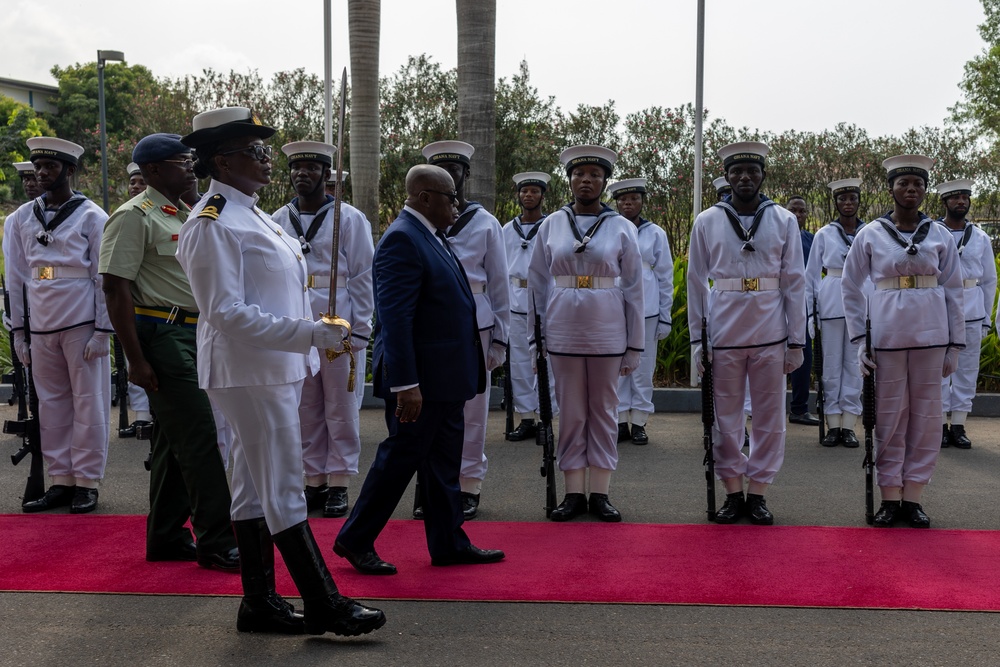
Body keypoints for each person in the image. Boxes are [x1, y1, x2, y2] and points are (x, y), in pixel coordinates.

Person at [176, 106, 385, 636]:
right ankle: (324, 602)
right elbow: (224, 311)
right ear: (222, 160)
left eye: (265, 150)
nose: (267, 159)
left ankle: (260, 603)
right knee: (286, 486)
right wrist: (309, 334)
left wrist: (312, 334)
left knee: (250, 486)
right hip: (251, 371)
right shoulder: (213, 222)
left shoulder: (257, 215)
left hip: (276, 367)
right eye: (255, 151)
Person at [334, 163, 504, 573]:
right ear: (425, 197)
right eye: (451, 198)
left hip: (445, 380)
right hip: (421, 383)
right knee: (399, 460)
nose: (458, 205)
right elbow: (396, 319)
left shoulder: (432, 236)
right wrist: (407, 384)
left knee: (444, 465)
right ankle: (355, 539)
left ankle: (448, 542)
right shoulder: (402, 241)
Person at [99, 133, 240, 574]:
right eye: (182, 162)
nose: (191, 169)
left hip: (193, 333)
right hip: (162, 334)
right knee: (200, 438)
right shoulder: (131, 216)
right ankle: (217, 540)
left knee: (171, 440)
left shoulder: (184, 212)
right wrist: (134, 361)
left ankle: (165, 535)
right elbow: (114, 288)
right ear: (154, 171)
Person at [687, 141, 806, 525]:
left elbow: (795, 283)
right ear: (727, 177)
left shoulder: (785, 220)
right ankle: (732, 491)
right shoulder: (707, 220)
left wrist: (797, 340)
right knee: (726, 418)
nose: (744, 178)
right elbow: (695, 282)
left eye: (752, 171)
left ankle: (758, 493)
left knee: (770, 417)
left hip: (771, 330)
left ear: (763, 176)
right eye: (737, 171)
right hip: (724, 331)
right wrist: (696, 340)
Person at [842, 154, 964, 529]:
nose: (911, 190)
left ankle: (913, 497)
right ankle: (889, 497)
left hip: (931, 336)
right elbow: (849, 285)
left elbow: (954, 289)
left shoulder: (940, 234)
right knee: (890, 418)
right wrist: (860, 339)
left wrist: (955, 344)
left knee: (927, 419)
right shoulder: (871, 233)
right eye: (903, 184)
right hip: (888, 338)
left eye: (918, 184)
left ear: (926, 191)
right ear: (891, 189)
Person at [528, 145, 644, 522]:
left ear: (605, 182)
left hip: (608, 332)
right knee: (571, 412)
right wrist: (536, 338)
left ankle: (601, 493)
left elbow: (634, 289)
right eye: (580, 174)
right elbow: (537, 284)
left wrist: (634, 344)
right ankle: (573, 491)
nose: (586, 180)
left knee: (604, 412)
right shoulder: (552, 224)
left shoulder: (622, 227)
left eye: (595, 175)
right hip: (562, 332)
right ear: (570, 180)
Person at [7, 137, 112, 514]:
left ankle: (87, 482)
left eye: (50, 167)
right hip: (41, 324)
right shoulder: (20, 217)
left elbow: (104, 275)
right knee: (51, 407)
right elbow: (17, 277)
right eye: (38, 166)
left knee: (89, 404)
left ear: (70, 170)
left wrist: (103, 329)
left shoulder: (92, 216)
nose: (41, 173)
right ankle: (61, 479)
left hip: (81, 320)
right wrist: (19, 330)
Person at [272, 141, 374, 518]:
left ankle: (340, 481)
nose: (303, 174)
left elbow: (363, 276)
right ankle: (313, 477)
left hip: (339, 322)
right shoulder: (277, 219)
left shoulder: (348, 218)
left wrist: (361, 329)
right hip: (297, 322)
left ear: (326, 174)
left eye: (312, 168)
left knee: (341, 405)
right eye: (297, 168)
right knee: (305, 404)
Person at [415, 140, 510, 519]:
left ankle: (468, 484)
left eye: (455, 170)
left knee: (472, 410)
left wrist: (500, 339)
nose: (449, 176)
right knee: (428, 409)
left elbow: (500, 285)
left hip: (475, 324)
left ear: (465, 176)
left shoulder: (486, 223)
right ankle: (430, 485)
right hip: (430, 323)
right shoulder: (419, 223)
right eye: (441, 171)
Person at [609, 178, 673, 446]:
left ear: (642, 201)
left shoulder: (655, 232)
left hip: (647, 311)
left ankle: (639, 422)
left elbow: (665, 276)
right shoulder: (608, 228)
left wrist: (665, 315)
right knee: (618, 368)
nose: (628, 203)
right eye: (623, 199)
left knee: (643, 369)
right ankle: (621, 420)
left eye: (633, 199)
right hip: (615, 309)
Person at [805, 178, 867, 447]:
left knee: (855, 365)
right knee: (830, 365)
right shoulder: (824, 234)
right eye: (843, 199)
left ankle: (850, 424)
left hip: (862, 299)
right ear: (836, 203)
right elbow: (810, 277)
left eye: (852, 198)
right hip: (831, 299)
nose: (848, 203)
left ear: (858, 201)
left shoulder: (870, 231)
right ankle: (833, 423)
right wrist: (810, 313)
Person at [937, 178, 996, 449]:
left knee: (967, 368)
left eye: (965, 197)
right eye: (955, 197)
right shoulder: (933, 232)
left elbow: (988, 280)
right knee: (939, 369)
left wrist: (986, 316)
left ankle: (958, 424)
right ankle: (938, 424)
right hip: (939, 309)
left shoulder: (981, 236)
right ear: (944, 202)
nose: (961, 202)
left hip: (971, 310)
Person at [502, 171, 555, 441]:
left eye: (534, 191)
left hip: (544, 302)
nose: (529, 195)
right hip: (515, 301)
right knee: (520, 364)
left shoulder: (553, 226)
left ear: (543, 196)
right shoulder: (506, 229)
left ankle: (548, 418)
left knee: (546, 362)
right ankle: (526, 418)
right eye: (524, 191)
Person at [786, 196, 820, 427]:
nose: (798, 215)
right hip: (776, 302)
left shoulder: (811, 240)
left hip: (803, 305)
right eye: (793, 210)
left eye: (802, 211)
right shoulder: (775, 237)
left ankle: (798, 409)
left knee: (803, 356)